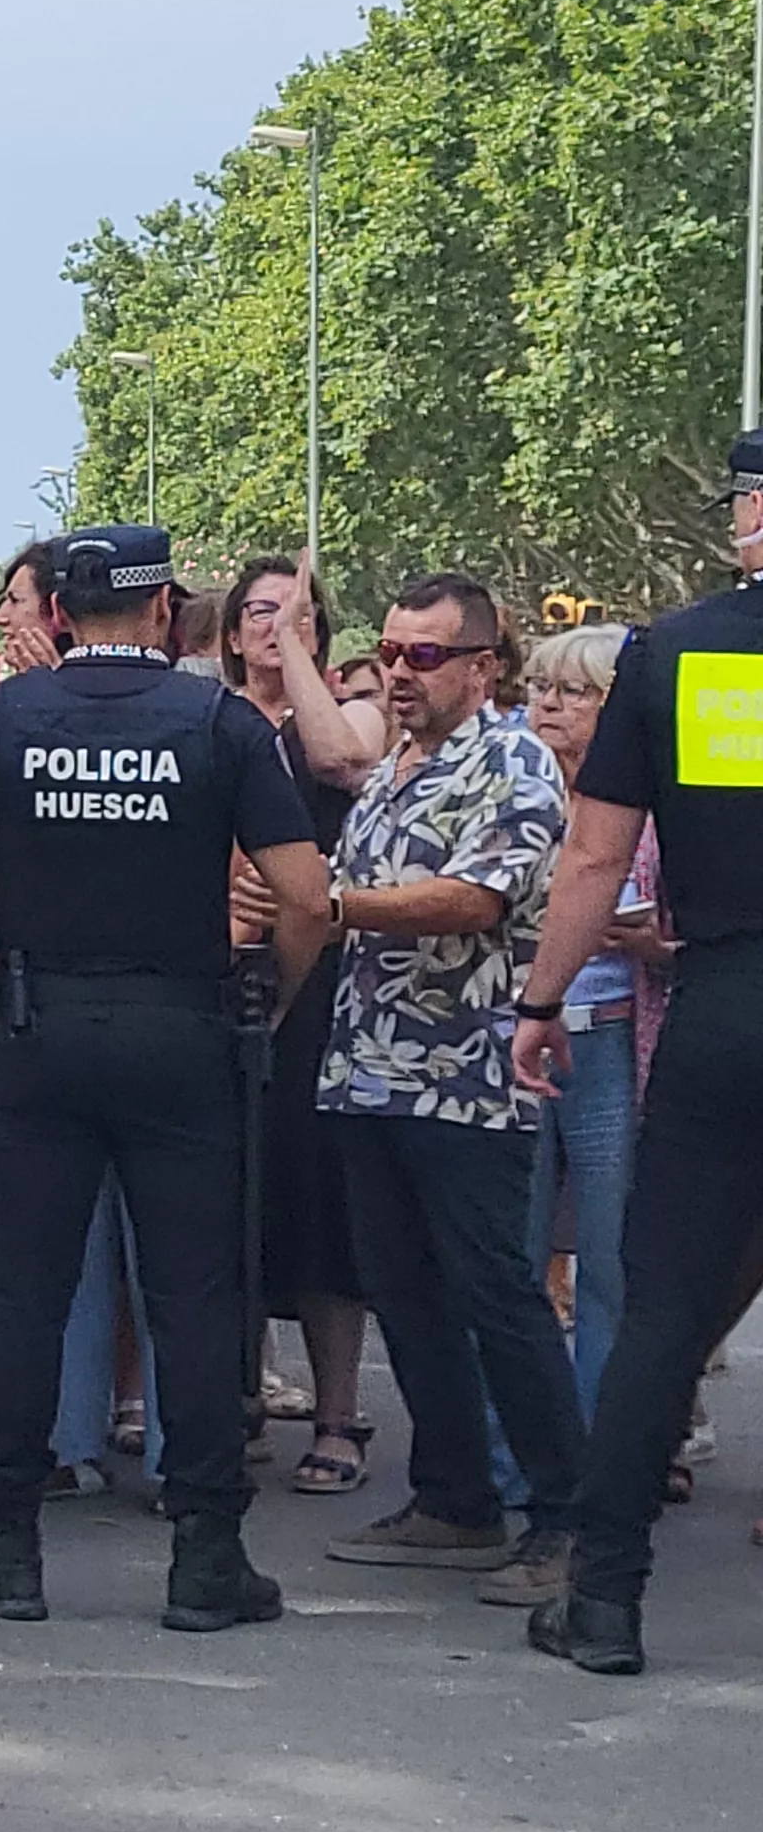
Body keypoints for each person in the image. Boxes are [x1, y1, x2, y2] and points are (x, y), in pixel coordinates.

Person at [0, 527, 328, 1630]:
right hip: (182, 1030)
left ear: (55, 613)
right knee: (193, 1295)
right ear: (166, 610)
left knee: (26, 1296)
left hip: (39, 1027)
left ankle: (5, 1548)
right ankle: (206, 1556)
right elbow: (307, 897)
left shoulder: (3, 719)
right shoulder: (218, 722)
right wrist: (270, 998)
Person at [517, 432, 763, 1674]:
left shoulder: (678, 653)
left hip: (726, 997)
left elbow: (595, 855)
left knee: (661, 1309)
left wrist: (540, 998)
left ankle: (604, 1594)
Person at [311, 574, 581, 1605]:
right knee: (404, 1293)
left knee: (497, 1297)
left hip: (469, 1076)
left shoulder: (511, 760)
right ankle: (455, 1500)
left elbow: (476, 898)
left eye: (423, 655)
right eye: (388, 651)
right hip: (370, 1070)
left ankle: (568, 1520)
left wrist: (332, 903)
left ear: (481, 666)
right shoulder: (393, 766)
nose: (398, 671)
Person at [214, 558, 380, 1486]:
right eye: (259, 613)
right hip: (218, 964)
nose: (275, 627)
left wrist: (302, 659)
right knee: (223, 1199)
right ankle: (233, 1396)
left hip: (319, 978)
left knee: (321, 1200)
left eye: (298, 614)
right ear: (230, 631)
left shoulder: (352, 710)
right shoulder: (207, 714)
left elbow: (340, 761)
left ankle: (338, 1415)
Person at [516, 623, 645, 1425]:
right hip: (516, 1038)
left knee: (609, 1259)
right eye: (540, 687)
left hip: (611, 1032)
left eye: (576, 691)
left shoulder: (650, 806)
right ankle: (515, 1453)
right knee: (513, 1259)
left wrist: (651, 939)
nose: (550, 706)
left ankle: (605, 1443)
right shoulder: (511, 793)